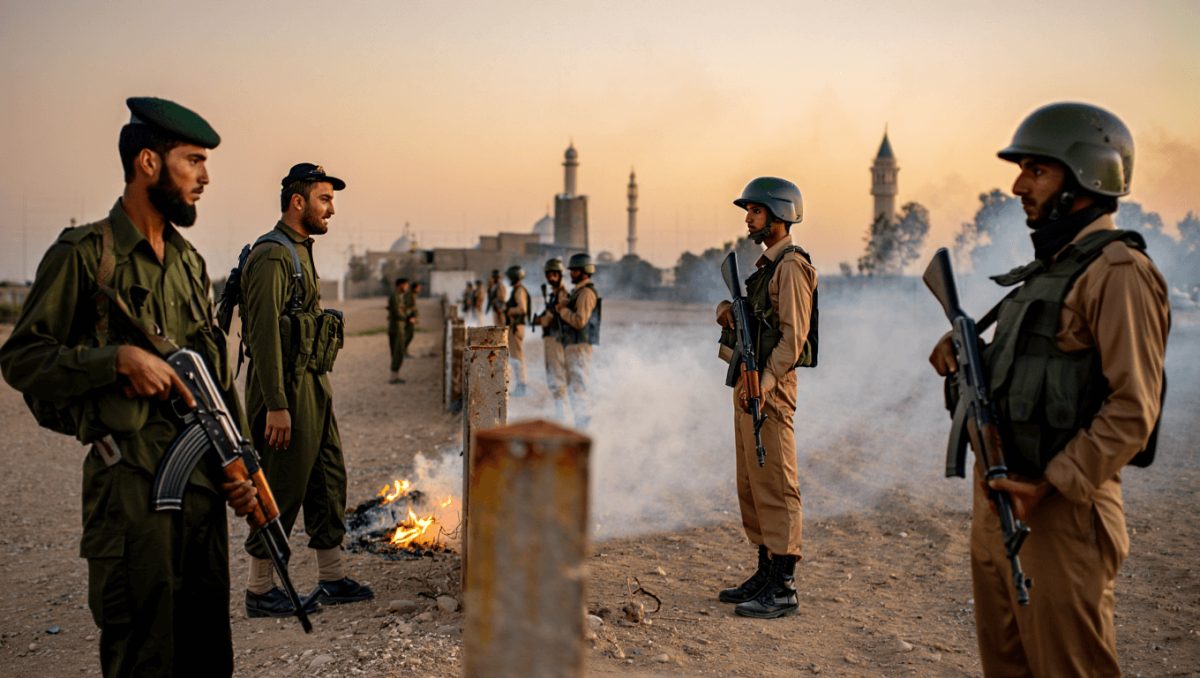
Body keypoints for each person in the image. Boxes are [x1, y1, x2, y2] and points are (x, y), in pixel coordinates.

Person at [0, 96, 258, 677]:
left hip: (200, 494)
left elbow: (216, 379)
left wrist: (240, 468)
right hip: (131, 493)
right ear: (148, 162)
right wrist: (115, 360)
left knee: (207, 654)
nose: (205, 177)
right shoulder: (85, 254)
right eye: (192, 160)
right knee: (144, 655)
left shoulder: (190, 264)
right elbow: (22, 358)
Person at [928, 102, 1169, 676]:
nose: (1018, 185)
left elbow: (1134, 410)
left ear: (1087, 175)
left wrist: (1048, 485)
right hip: (1003, 502)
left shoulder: (1119, 272)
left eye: (1037, 170)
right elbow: (1028, 375)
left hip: (1062, 513)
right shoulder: (1049, 270)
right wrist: (966, 359)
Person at [239, 162, 374, 618]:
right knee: (279, 484)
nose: (331, 209)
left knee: (326, 477)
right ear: (298, 202)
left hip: (313, 383)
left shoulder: (300, 249)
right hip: (286, 389)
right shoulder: (274, 255)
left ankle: (331, 576)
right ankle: (260, 589)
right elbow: (261, 335)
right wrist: (277, 404)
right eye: (324, 198)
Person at [714, 177, 818, 619]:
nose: (748, 218)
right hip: (752, 381)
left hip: (770, 387)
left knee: (777, 482)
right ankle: (764, 568)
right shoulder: (766, 268)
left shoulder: (791, 267)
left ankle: (784, 585)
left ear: (778, 215)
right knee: (753, 482)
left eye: (755, 211)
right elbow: (759, 323)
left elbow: (793, 339)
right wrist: (727, 315)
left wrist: (766, 383)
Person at [555, 253, 602, 428]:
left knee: (578, 386)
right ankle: (579, 422)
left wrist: (562, 311)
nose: (571, 273)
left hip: (580, 346)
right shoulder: (578, 292)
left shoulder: (586, 293)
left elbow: (580, 321)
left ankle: (583, 423)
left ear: (585, 271)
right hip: (573, 345)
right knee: (573, 386)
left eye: (575, 270)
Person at [535, 258, 569, 419]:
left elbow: (552, 316)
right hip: (550, 338)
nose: (551, 277)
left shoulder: (562, 294)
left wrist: (541, 320)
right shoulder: (554, 294)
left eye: (554, 274)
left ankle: (562, 413)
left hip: (557, 339)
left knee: (558, 377)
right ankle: (560, 411)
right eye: (549, 274)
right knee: (552, 377)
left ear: (560, 275)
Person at [504, 265, 531, 396]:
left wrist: (509, 311)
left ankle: (522, 385)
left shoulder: (519, 291)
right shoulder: (516, 290)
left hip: (516, 328)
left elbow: (522, 309)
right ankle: (520, 385)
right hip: (514, 327)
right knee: (515, 357)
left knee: (518, 357)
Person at [387, 277, 411, 383]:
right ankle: (393, 377)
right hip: (397, 328)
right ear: (400, 285)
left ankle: (395, 376)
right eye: (406, 285)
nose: (407, 287)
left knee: (398, 352)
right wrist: (409, 318)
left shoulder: (398, 297)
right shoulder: (395, 297)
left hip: (398, 327)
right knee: (398, 352)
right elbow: (397, 313)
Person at [404, 281, 421, 357]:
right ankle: (403, 352)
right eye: (418, 288)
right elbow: (406, 308)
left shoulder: (412, 295)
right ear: (414, 288)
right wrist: (410, 318)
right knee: (408, 335)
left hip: (411, 318)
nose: (419, 289)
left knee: (409, 335)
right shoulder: (409, 295)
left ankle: (405, 352)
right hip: (409, 319)